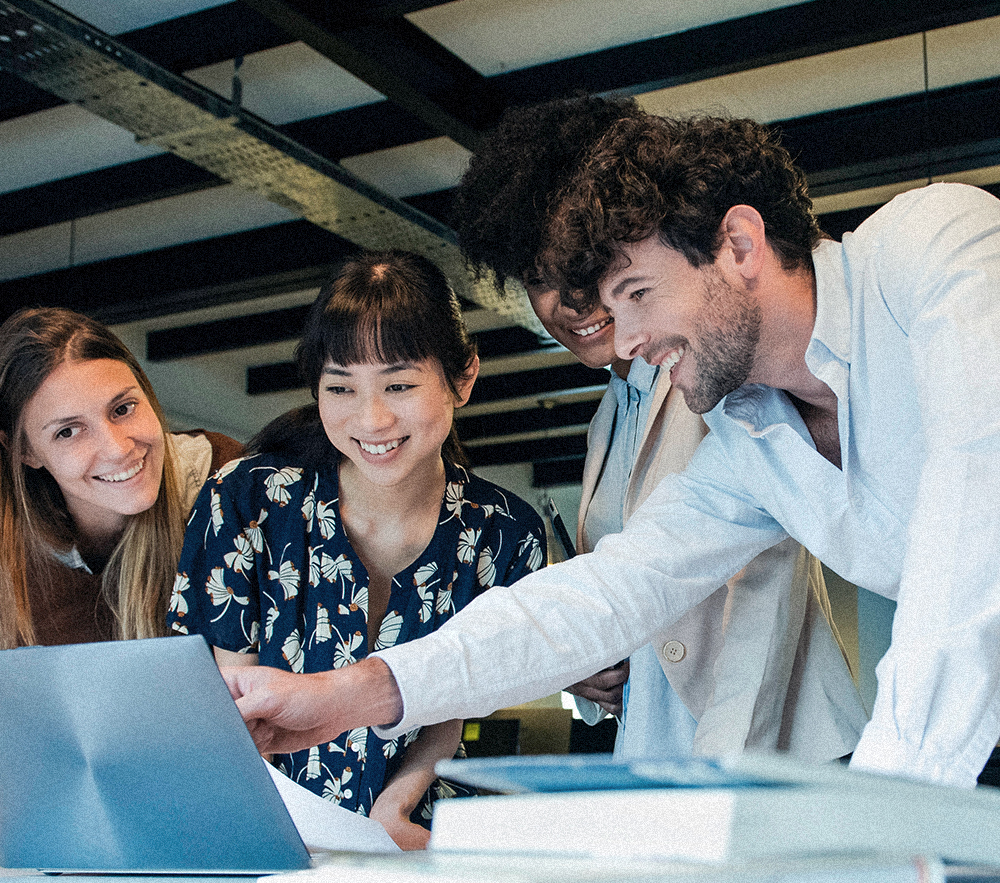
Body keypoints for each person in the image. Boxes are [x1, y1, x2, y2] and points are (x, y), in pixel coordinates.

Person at [220, 113, 1000, 790]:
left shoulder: (936, 247)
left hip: (924, 748)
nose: (624, 339)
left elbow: (977, 506)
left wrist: (887, 811)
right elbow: (605, 593)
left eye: (637, 294)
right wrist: (348, 694)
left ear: (737, 243)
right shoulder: (749, 434)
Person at [450, 95, 864, 760]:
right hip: (658, 751)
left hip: (767, 754)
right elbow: (621, 592)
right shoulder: (610, 415)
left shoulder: (716, 374)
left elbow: (761, 595)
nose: (573, 301)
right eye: (539, 278)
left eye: (583, 267)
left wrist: (716, 779)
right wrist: (586, 670)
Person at [169, 250, 546, 848]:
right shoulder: (244, 501)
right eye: (340, 387)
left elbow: (450, 705)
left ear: (463, 377)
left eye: (398, 384)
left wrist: (393, 811)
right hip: (265, 824)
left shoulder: (506, 532)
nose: (372, 419)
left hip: (415, 824)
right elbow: (236, 709)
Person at [0, 306, 240, 649]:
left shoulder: (234, 480)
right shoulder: (12, 545)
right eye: (68, 431)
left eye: (123, 408)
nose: (117, 448)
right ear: (25, 451)